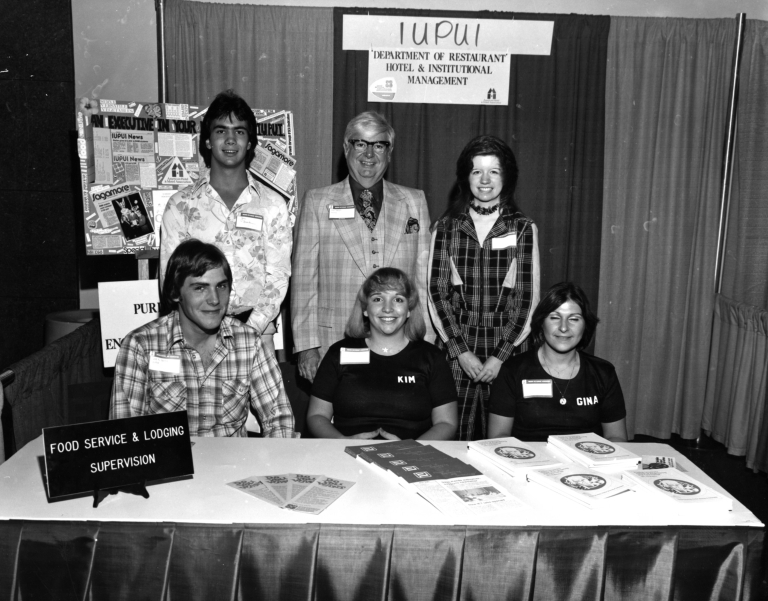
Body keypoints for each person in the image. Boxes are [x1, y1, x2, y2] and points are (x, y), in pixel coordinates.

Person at [291, 111, 433, 382]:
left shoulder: (414, 201)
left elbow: (422, 279)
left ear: (389, 152)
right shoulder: (318, 202)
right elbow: (303, 281)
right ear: (346, 148)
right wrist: (307, 347)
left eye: (379, 145)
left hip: (401, 340)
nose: (369, 154)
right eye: (360, 143)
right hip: (334, 341)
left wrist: (424, 339)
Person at [110, 239, 296, 438]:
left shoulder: (248, 342)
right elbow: (125, 436)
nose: (214, 299)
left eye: (221, 286)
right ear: (175, 293)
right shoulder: (140, 345)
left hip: (235, 465)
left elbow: (280, 421)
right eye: (200, 288)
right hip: (173, 466)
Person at [160, 90, 291, 354]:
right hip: (195, 336)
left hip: (257, 335)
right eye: (221, 131)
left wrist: (247, 332)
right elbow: (171, 279)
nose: (230, 139)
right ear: (207, 141)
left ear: (250, 143)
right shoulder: (180, 205)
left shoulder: (273, 205)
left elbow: (278, 277)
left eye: (240, 132)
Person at [429, 135, 540, 441]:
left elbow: (527, 299)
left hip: (507, 347)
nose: (485, 180)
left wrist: (500, 356)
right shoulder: (446, 226)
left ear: (508, 176)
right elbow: (436, 292)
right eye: (477, 171)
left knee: (504, 442)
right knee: (451, 439)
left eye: (494, 171)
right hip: (457, 345)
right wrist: (460, 351)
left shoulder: (523, 228)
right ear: (466, 176)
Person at [307, 268, 457, 440]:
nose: (387, 308)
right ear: (365, 309)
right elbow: (316, 416)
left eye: (398, 299)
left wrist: (411, 451)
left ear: (409, 309)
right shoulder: (338, 353)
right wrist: (342, 444)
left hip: (412, 459)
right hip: (345, 457)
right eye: (378, 299)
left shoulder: (431, 357)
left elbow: (447, 423)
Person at [487, 282, 627, 442]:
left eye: (574, 319)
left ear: (586, 325)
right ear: (541, 322)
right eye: (554, 317)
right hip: (527, 463)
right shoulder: (512, 370)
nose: (563, 327)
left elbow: (617, 437)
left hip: (587, 464)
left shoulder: (603, 372)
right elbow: (497, 437)